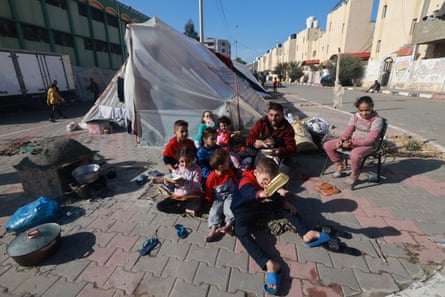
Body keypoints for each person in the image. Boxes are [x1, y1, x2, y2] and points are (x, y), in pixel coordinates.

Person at [230, 157, 332, 295]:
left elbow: (273, 195)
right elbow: (249, 192)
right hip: (243, 210)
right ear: (256, 173)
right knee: (240, 232)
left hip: (260, 206)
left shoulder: (267, 184)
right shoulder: (245, 181)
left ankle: (306, 233)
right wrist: (261, 193)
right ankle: (269, 264)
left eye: (270, 182)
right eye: (264, 180)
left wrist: (284, 202)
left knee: (285, 206)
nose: (267, 183)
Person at [323, 96, 384, 185]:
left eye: (367, 110)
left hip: (369, 145)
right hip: (353, 141)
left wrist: (352, 144)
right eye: (361, 110)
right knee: (327, 145)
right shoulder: (355, 116)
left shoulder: (377, 120)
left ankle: (354, 173)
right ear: (358, 109)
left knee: (355, 154)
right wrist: (342, 140)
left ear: (372, 107)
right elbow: (349, 131)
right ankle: (339, 165)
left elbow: (370, 140)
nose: (364, 113)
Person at [245, 102, 296, 169]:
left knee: (285, 169)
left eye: (277, 115)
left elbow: (292, 148)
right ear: (267, 114)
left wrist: (280, 151)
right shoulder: (261, 123)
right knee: (245, 157)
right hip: (259, 151)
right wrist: (254, 143)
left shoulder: (287, 129)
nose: (273, 118)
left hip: (277, 156)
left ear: (282, 115)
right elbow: (249, 139)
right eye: (271, 115)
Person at [156, 146, 204, 216]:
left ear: (193, 159)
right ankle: (185, 209)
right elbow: (172, 181)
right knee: (160, 206)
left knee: (199, 205)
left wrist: (184, 183)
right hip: (178, 195)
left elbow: (197, 186)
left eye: (188, 161)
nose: (184, 164)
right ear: (178, 160)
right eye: (182, 161)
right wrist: (168, 182)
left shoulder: (196, 170)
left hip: (191, 196)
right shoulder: (177, 168)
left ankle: (183, 207)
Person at [205, 149, 238, 242]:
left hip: (230, 195)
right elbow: (209, 190)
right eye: (227, 161)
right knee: (214, 210)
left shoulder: (229, 172)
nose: (229, 162)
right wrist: (209, 199)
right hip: (218, 198)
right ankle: (213, 229)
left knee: (228, 206)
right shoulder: (211, 178)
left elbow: (235, 181)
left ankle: (228, 224)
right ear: (220, 166)